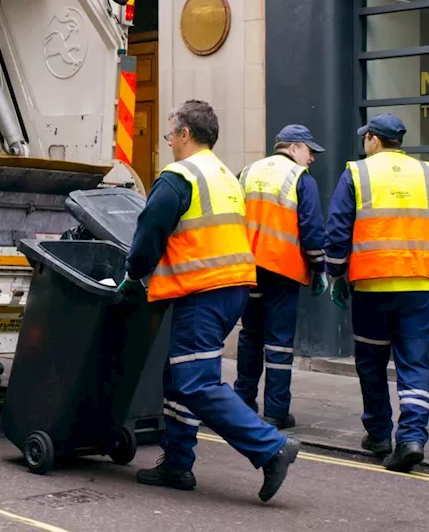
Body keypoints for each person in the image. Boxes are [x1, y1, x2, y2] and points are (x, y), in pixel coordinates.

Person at [118, 100, 300, 502]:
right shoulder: (223, 175)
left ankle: (271, 448)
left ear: (184, 134)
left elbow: (150, 231)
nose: (169, 142)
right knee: (178, 377)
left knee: (195, 382)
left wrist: (133, 273)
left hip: (203, 289)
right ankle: (178, 465)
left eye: (170, 134)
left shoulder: (180, 176)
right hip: (230, 287)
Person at [323, 112, 429, 473]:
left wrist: (336, 275)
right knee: (414, 362)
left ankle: (380, 434)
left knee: (371, 362)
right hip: (418, 285)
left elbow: (338, 229)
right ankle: (412, 437)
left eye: (365, 137)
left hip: (372, 285)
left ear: (373, 140)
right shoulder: (428, 173)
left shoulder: (356, 172)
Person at [234, 125, 329, 429]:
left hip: (248, 269)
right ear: (292, 148)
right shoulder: (301, 179)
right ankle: (276, 410)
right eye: (308, 150)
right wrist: (318, 267)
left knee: (250, 335)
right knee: (278, 341)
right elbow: (312, 229)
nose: (311, 158)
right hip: (281, 270)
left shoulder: (247, 172)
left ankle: (242, 402)